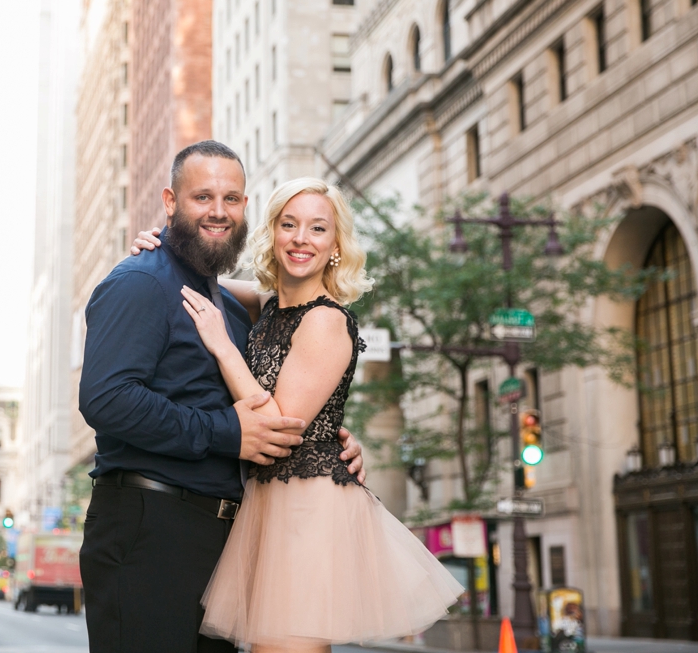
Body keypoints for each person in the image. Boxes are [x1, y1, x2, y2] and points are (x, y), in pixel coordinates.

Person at [137, 177, 463, 652]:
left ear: (335, 244)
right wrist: (156, 247)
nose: (301, 239)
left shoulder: (328, 320)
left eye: (317, 228)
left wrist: (223, 347)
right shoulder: (270, 305)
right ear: (273, 232)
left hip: (309, 508)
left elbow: (279, 426)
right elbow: (198, 281)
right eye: (289, 224)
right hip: (270, 501)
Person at [78, 141, 365, 653]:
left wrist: (329, 436)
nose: (217, 211)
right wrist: (230, 433)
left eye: (231, 199)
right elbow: (107, 399)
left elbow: (293, 385)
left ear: (245, 209)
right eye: (202, 197)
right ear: (170, 202)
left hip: (228, 537)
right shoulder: (143, 282)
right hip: (151, 529)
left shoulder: (226, 304)